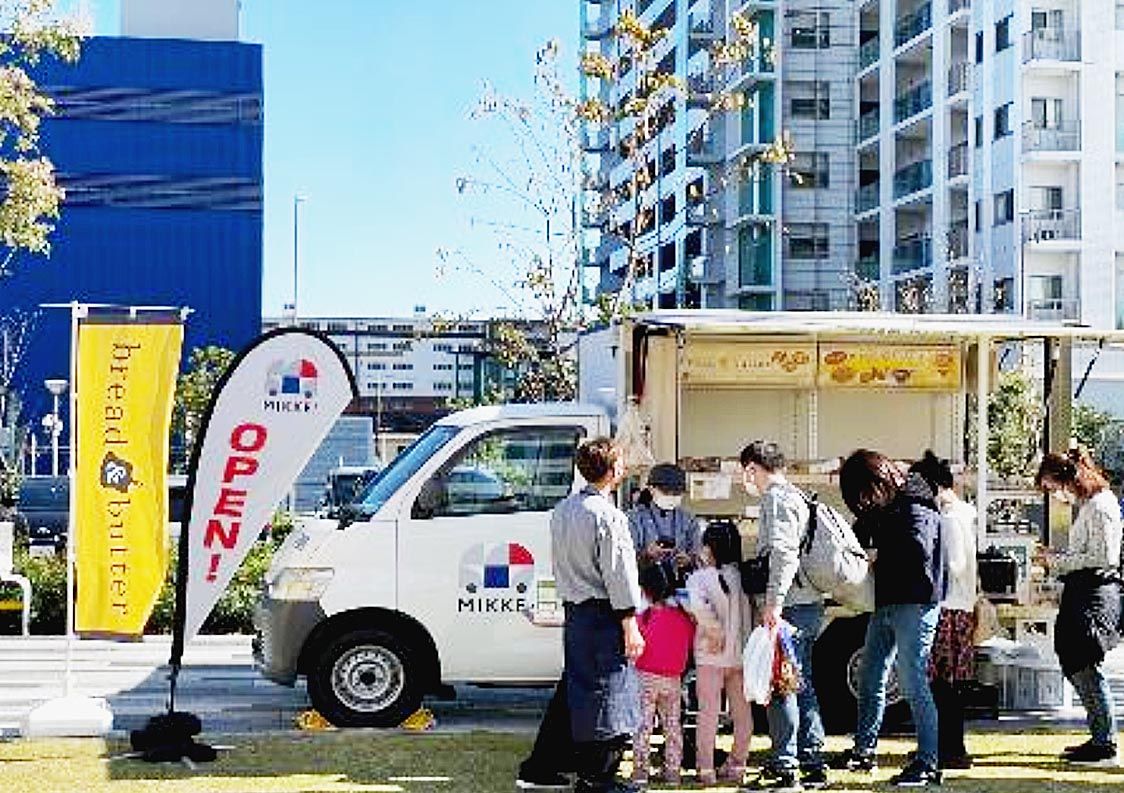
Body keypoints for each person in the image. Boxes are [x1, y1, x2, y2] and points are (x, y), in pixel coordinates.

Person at [518, 437, 645, 793]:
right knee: (609, 692)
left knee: (574, 690)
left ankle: (540, 767)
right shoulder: (609, 516)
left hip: (576, 612)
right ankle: (597, 777)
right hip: (604, 614)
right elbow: (618, 576)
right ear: (614, 470)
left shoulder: (563, 510)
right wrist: (631, 625)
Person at [831, 449, 945, 788]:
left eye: (865, 494)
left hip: (916, 602)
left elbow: (917, 553)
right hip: (888, 600)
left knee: (913, 683)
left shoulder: (915, 505)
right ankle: (863, 752)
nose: (864, 503)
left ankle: (928, 762)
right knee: (870, 675)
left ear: (878, 482)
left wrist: (877, 560)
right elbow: (861, 531)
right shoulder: (891, 505)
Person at [740, 440, 828, 791]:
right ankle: (811, 759)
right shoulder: (797, 495)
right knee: (801, 682)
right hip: (808, 602)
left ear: (753, 468)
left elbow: (784, 554)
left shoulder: (776, 500)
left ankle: (785, 765)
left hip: (789, 605)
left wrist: (773, 604)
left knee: (782, 684)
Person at [1036, 448, 1122, 767]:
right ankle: (1100, 734)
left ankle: (1105, 743)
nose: (1054, 495)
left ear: (1066, 479)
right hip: (1083, 591)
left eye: (1051, 487)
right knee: (1072, 657)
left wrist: (1056, 561)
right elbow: (1088, 553)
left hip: (1095, 594)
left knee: (1085, 662)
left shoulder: (1100, 506)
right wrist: (1059, 557)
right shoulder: (1089, 505)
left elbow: (1103, 559)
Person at [910, 450, 978, 770]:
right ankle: (947, 745)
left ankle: (948, 748)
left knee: (942, 685)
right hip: (960, 607)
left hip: (948, 608)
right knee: (948, 685)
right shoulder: (964, 512)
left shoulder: (949, 518)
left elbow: (954, 564)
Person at [686, 520, 753, 786]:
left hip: (710, 657)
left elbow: (698, 609)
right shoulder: (742, 577)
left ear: (709, 549)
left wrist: (714, 632)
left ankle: (706, 770)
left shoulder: (699, 579)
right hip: (739, 658)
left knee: (708, 714)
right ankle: (738, 765)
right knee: (742, 715)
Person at [631, 560, 695, 786]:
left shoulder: (641, 619)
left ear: (644, 589)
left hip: (644, 678)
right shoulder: (684, 618)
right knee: (672, 727)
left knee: (642, 727)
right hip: (673, 680)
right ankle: (673, 772)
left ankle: (640, 771)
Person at [628, 462, 700, 571]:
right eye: (666, 492)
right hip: (644, 583)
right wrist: (646, 555)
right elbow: (625, 561)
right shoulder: (634, 518)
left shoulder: (688, 519)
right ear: (651, 489)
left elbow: (698, 555)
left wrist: (689, 559)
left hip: (682, 582)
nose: (671, 496)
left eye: (677, 493)